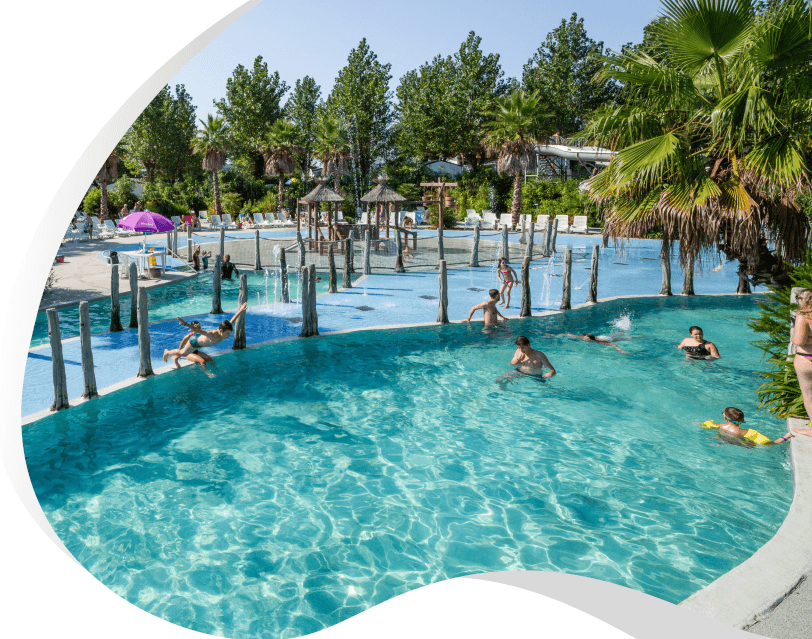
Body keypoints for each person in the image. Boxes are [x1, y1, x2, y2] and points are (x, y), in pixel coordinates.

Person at [163, 303, 248, 369]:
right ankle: (167, 352)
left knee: (185, 353)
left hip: (199, 345)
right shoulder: (212, 334)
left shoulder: (223, 332)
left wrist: (240, 311)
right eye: (227, 333)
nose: (228, 336)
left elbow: (231, 321)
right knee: (182, 353)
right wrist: (185, 324)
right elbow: (199, 331)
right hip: (194, 342)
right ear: (221, 331)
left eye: (229, 333)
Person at [700, 407, 793, 446]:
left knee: (720, 436)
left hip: (724, 436)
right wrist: (786, 436)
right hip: (742, 443)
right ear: (741, 420)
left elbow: (702, 425)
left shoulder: (718, 426)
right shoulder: (748, 433)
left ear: (725, 418)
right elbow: (770, 443)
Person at [791, 289, 812, 437]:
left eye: (798, 298)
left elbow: (799, 340)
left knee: (809, 396)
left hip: (806, 359)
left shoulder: (803, 316)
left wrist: (793, 339)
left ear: (804, 300)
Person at [562, 333, 628, 354]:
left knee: (622, 338)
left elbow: (612, 344)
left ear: (590, 339)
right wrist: (557, 335)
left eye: (586, 339)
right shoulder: (582, 338)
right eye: (584, 338)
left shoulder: (597, 342)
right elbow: (569, 334)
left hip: (608, 339)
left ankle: (634, 337)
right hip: (601, 337)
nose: (584, 339)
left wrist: (620, 350)